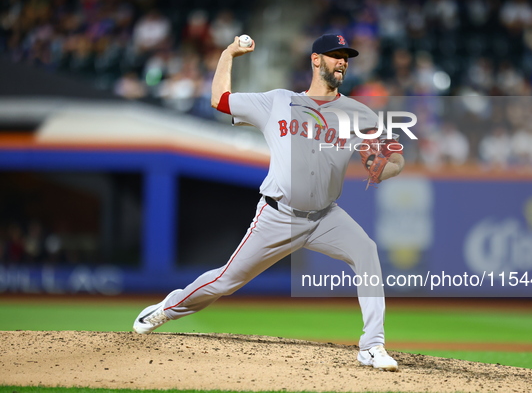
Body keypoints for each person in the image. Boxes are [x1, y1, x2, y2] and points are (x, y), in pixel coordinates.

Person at [133, 34, 405, 372]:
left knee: (366, 251)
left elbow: (396, 158)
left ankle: (372, 346)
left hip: (326, 217)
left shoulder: (358, 113)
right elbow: (220, 100)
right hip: (280, 214)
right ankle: (169, 308)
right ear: (315, 60)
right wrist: (228, 54)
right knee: (225, 281)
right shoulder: (278, 101)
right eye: (335, 55)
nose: (342, 62)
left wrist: (385, 168)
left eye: (346, 57)